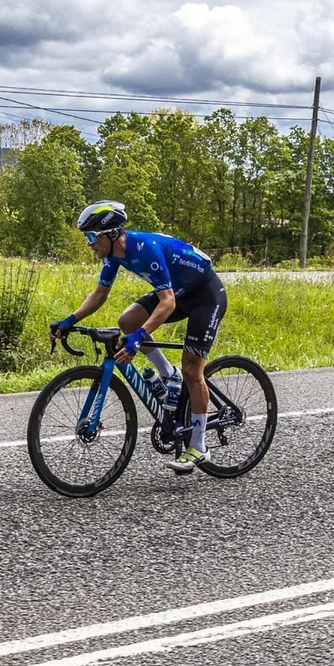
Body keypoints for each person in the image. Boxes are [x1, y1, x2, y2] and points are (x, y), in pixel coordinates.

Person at [49, 201, 226, 474]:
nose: (88, 243)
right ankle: (169, 375)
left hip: (205, 295)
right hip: (178, 292)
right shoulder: (113, 256)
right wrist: (70, 320)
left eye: (91, 236)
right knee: (127, 321)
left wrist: (141, 336)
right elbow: (100, 294)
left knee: (192, 369)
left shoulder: (145, 250)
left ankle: (199, 446)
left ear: (110, 233)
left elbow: (166, 303)